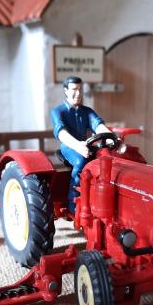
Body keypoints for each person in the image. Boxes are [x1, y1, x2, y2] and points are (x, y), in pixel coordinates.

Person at [51, 76, 113, 212]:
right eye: (74, 89)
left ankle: (99, 198)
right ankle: (73, 202)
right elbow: (61, 133)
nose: (78, 93)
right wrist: (77, 146)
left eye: (80, 89)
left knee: (105, 160)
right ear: (66, 91)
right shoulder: (58, 111)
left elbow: (98, 125)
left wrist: (112, 138)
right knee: (81, 161)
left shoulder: (87, 111)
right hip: (68, 146)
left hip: (86, 145)